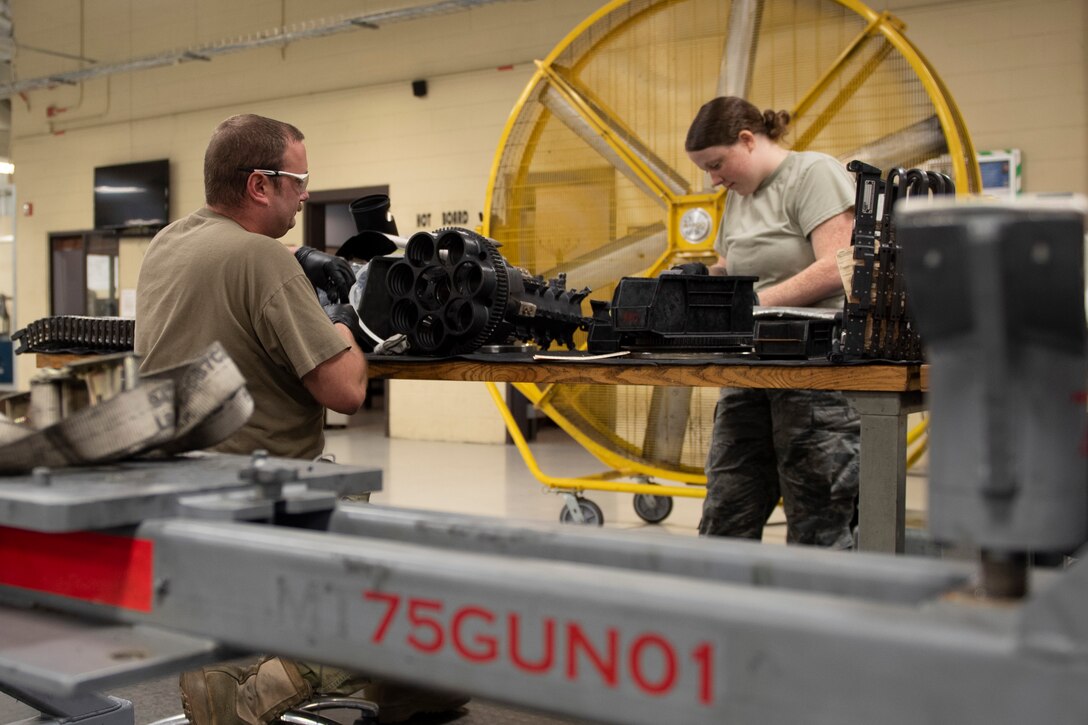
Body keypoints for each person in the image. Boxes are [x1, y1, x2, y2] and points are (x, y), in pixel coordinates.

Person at [136, 114, 465, 724]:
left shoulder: (169, 243)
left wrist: (303, 258)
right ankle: (275, 684)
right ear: (260, 185)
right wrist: (344, 322)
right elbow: (345, 391)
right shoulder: (261, 260)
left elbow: (236, 263)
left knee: (430, 681)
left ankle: (227, 683)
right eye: (300, 180)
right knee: (424, 590)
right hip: (268, 494)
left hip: (181, 491)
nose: (307, 194)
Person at [684, 96, 861, 548]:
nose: (714, 179)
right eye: (706, 170)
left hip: (812, 371)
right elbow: (731, 265)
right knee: (726, 515)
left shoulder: (813, 174)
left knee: (819, 523)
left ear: (748, 140)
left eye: (717, 164)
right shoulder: (738, 196)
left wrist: (754, 305)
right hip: (748, 368)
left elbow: (840, 265)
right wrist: (695, 285)